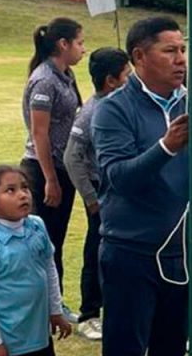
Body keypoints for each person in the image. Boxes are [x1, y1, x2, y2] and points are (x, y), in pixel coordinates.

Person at [93, 16, 191, 356]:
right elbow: (118, 177)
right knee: (126, 348)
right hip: (132, 253)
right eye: (169, 51)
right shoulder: (113, 110)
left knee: (172, 346)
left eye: (183, 49)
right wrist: (166, 147)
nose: (180, 59)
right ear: (139, 57)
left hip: (181, 252)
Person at [0, 165, 72, 356]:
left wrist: (56, 311)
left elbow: (49, 268)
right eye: (10, 190)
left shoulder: (37, 226)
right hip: (10, 343)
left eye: (25, 188)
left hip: (40, 337)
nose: (23, 195)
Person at [20, 17, 85, 323]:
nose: (83, 49)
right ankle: (45, 306)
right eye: (80, 42)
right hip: (44, 169)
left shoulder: (66, 75)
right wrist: (50, 180)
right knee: (45, 242)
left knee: (55, 240)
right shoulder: (45, 79)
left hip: (63, 167)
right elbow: (39, 133)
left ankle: (53, 305)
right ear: (63, 44)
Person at [63, 47, 131, 341]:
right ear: (111, 80)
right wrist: (91, 198)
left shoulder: (124, 104)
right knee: (97, 252)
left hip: (122, 191)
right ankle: (90, 314)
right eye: (127, 74)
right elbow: (71, 158)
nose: (132, 79)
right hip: (101, 193)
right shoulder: (92, 112)